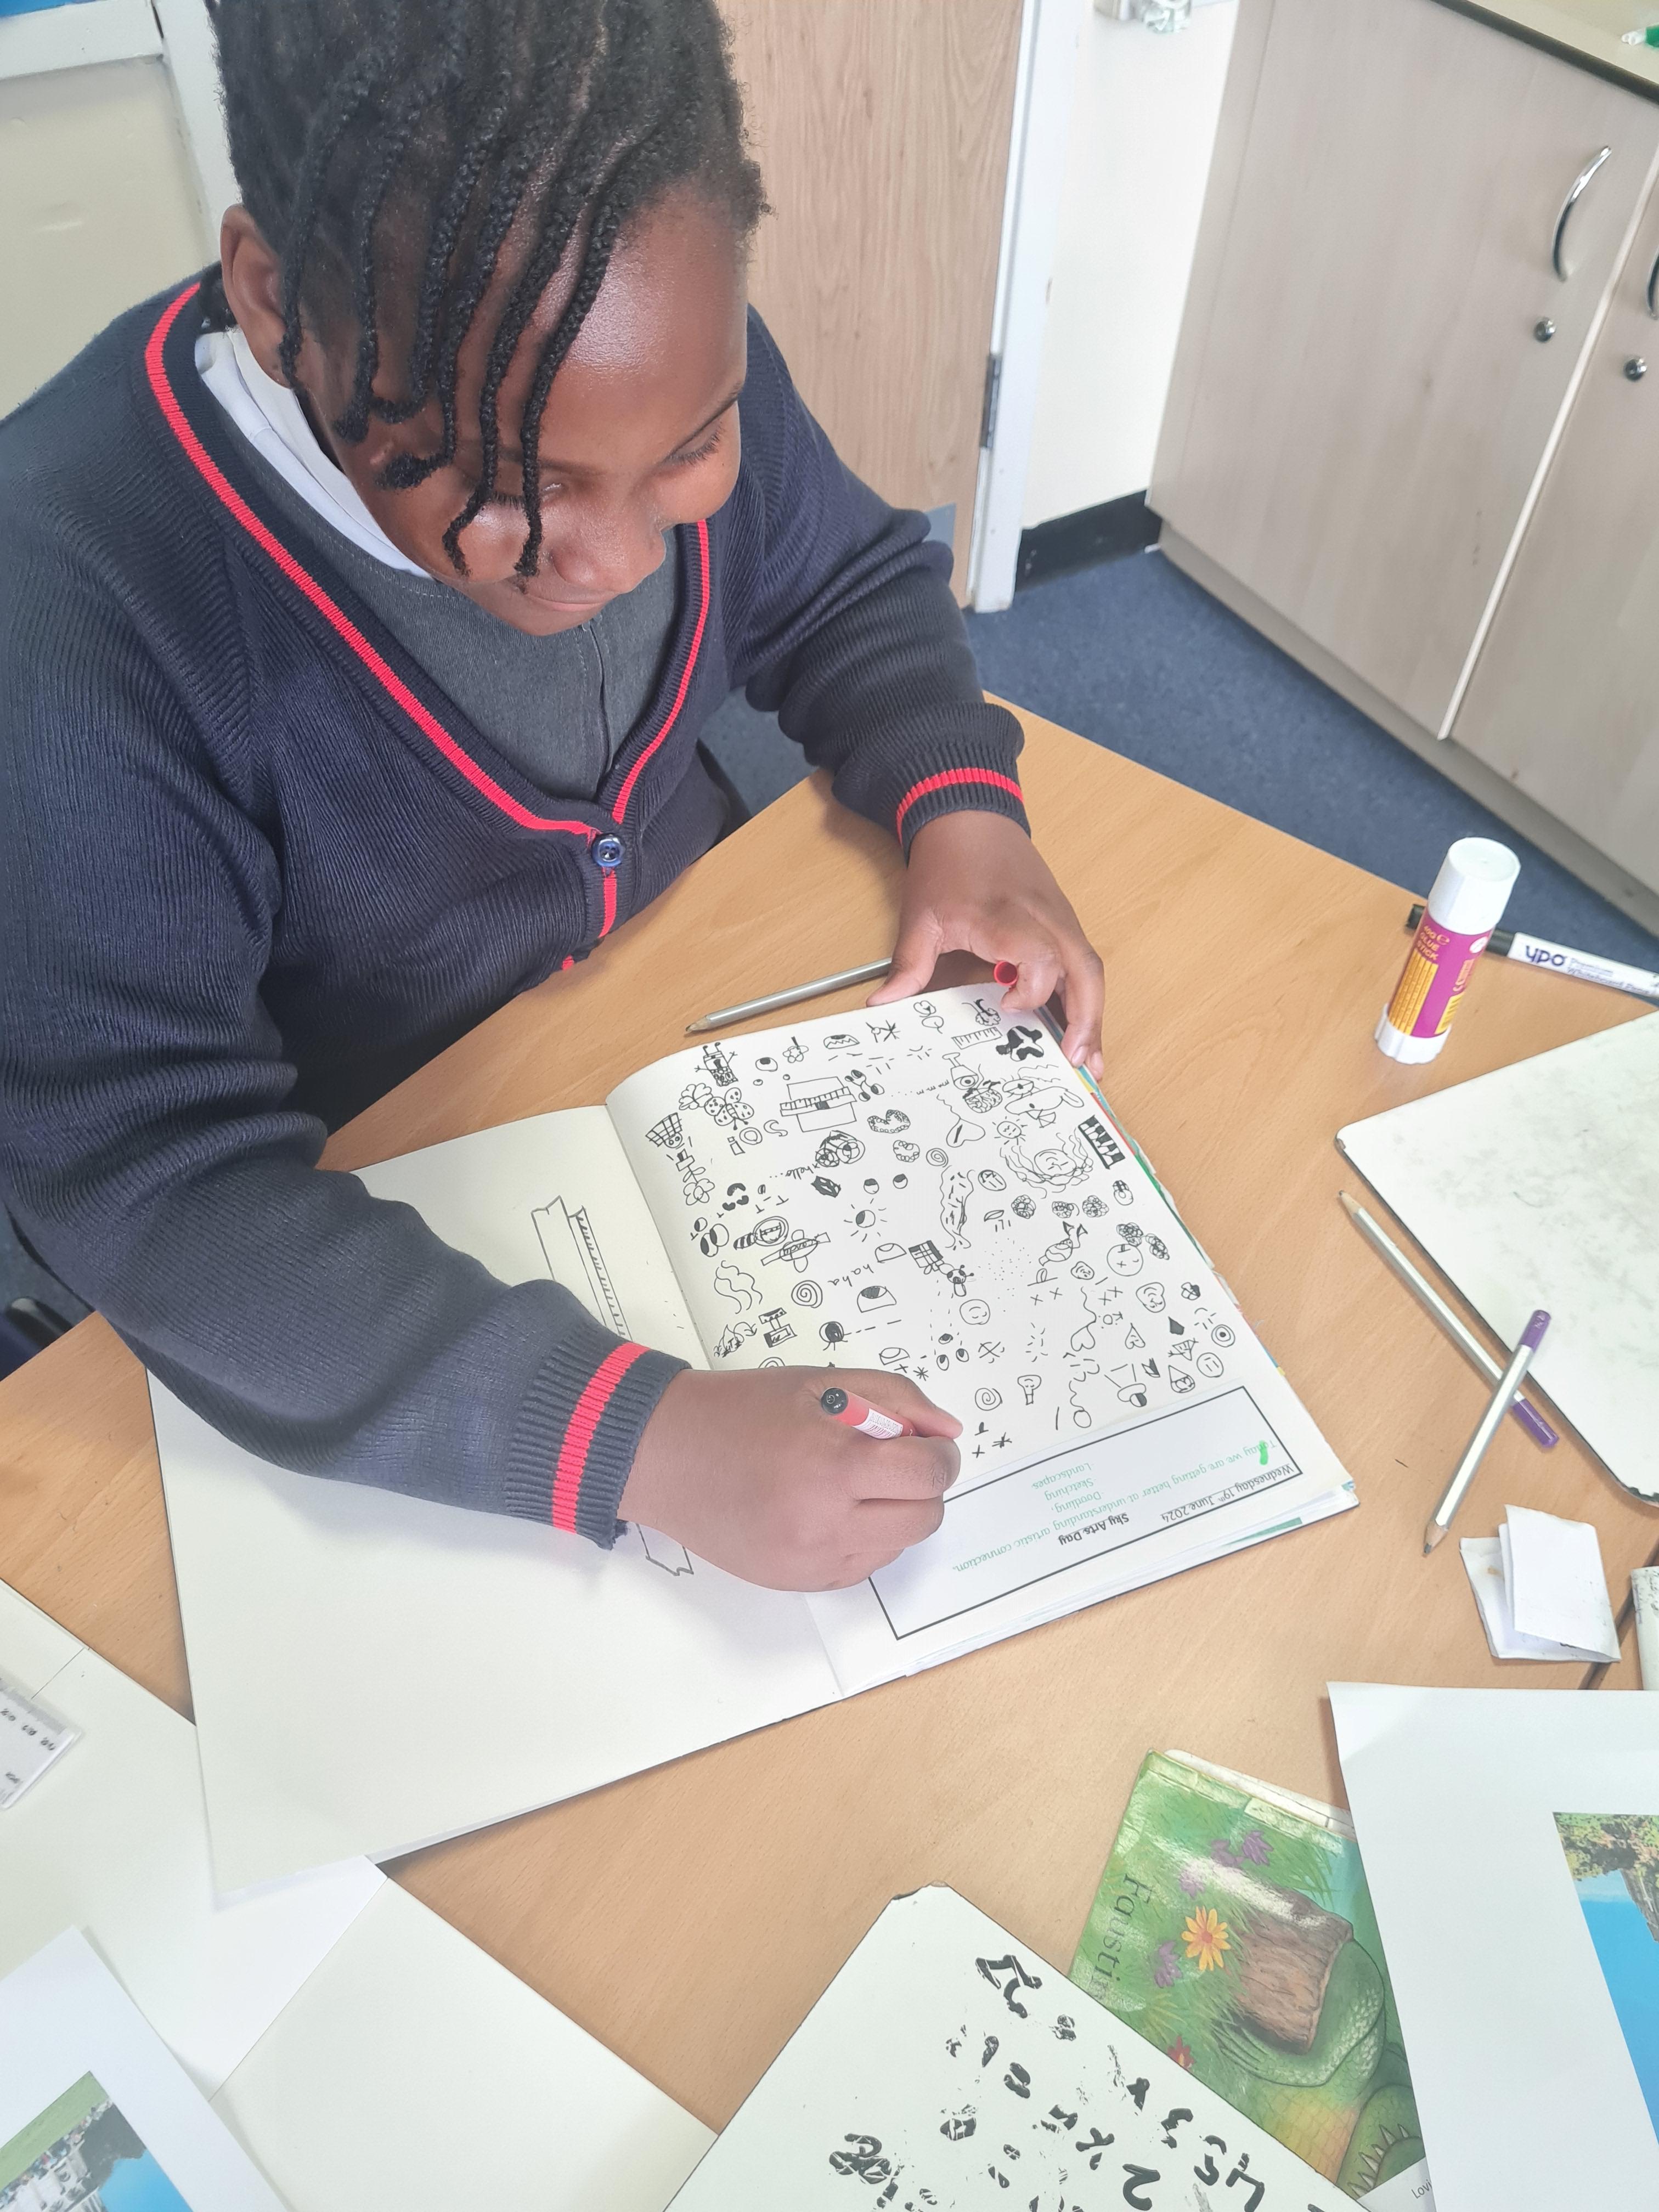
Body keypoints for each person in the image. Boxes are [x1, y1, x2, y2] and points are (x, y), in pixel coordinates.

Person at [0, 0, 1104, 1592]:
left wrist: (962, 806)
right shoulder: (72, 611)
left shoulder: (655, 356)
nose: (620, 557)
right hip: (375, 1186)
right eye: (512, 488)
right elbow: (156, 1183)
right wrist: (640, 1441)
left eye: (691, 455)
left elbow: (846, 585)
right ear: (275, 300)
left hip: (669, 1028)